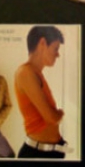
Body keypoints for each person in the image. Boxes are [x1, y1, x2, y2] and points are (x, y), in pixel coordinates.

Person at [15, 25, 67, 159]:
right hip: (36, 153)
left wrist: (57, 114)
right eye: (55, 49)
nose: (58, 54)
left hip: (51, 152)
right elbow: (51, 117)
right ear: (42, 43)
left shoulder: (36, 74)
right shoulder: (25, 72)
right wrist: (60, 113)